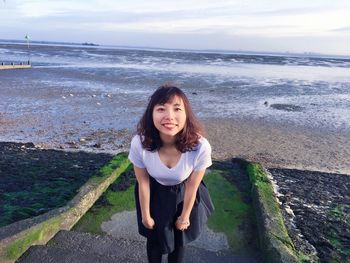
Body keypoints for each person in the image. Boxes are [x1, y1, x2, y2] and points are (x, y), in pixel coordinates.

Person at [128, 84, 214, 263]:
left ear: (186, 114)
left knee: (179, 241)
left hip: (184, 194)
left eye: (177, 109)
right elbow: (143, 182)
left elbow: (192, 185)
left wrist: (184, 217)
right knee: (154, 240)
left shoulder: (200, 147)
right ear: (151, 114)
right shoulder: (140, 143)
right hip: (153, 193)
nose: (169, 116)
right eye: (161, 109)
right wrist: (145, 215)